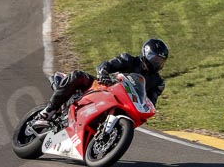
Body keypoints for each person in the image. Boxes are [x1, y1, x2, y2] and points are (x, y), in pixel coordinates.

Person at [32, 38, 169, 128]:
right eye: (155, 59)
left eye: (160, 61)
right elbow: (107, 64)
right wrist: (103, 73)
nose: (157, 63)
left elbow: (150, 101)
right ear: (146, 53)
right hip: (105, 88)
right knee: (77, 75)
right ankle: (47, 112)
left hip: (126, 105)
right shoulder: (129, 60)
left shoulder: (158, 82)